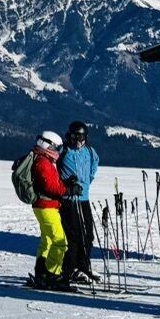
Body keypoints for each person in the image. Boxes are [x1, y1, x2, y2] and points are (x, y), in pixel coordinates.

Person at [26, 131, 70, 289]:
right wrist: (67, 189)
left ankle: (41, 272)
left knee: (47, 240)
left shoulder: (42, 159)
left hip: (44, 205)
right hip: (47, 206)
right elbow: (50, 185)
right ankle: (52, 275)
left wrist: (65, 184)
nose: (58, 151)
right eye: (57, 148)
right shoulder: (43, 162)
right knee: (60, 242)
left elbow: (51, 182)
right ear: (49, 146)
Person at [58, 120, 100, 285]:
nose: (77, 141)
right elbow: (53, 170)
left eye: (81, 137)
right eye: (74, 137)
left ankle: (84, 267)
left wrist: (89, 179)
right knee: (73, 236)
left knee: (88, 235)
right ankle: (69, 269)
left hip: (84, 199)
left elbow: (95, 162)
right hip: (69, 201)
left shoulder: (89, 151)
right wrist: (65, 184)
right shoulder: (63, 151)